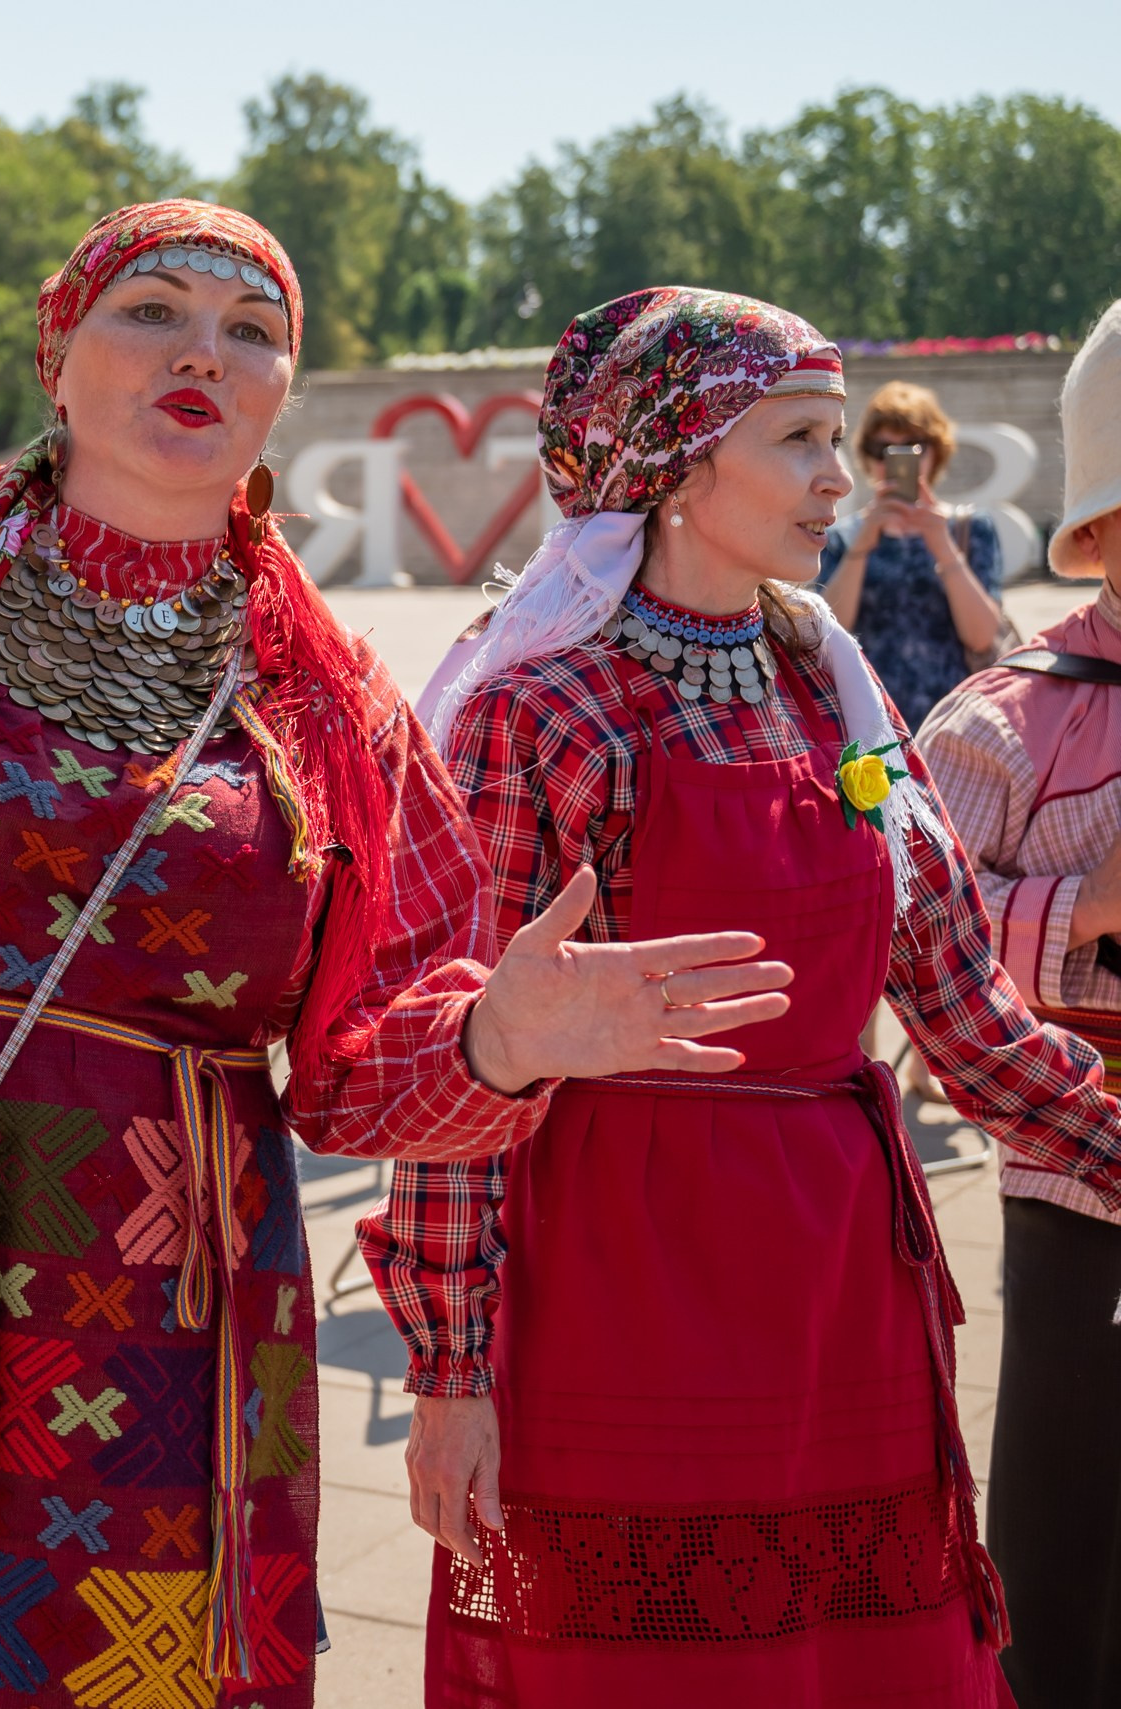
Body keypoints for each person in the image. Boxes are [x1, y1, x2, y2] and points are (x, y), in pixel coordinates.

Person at [0, 205, 797, 1709]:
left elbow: (358, 1059)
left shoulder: (330, 699)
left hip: (156, 1331)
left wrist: (500, 1039)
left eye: (252, 332)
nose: (205, 351)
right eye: (154, 310)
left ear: (281, 398)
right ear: (57, 357)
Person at [382, 286, 1121, 1707]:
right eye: (801, 439)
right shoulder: (541, 708)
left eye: (840, 439)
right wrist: (450, 1373)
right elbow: (459, 1072)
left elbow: (964, 1011)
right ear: (674, 459)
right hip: (617, 1266)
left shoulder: (833, 694)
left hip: (837, 1271)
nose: (842, 479)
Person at [916, 296, 1121, 1709]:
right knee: (1070, 1525)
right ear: (1100, 533)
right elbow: (913, 946)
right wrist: (1091, 910)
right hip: (1082, 1203)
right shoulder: (1007, 725)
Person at [817, 381, 1007, 731]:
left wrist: (941, 543)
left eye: (913, 448)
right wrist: (863, 543)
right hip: (868, 724)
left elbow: (982, 637)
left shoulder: (970, 529)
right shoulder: (840, 538)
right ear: (867, 456)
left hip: (955, 723)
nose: (896, 460)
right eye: (883, 448)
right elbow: (828, 640)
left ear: (936, 452)